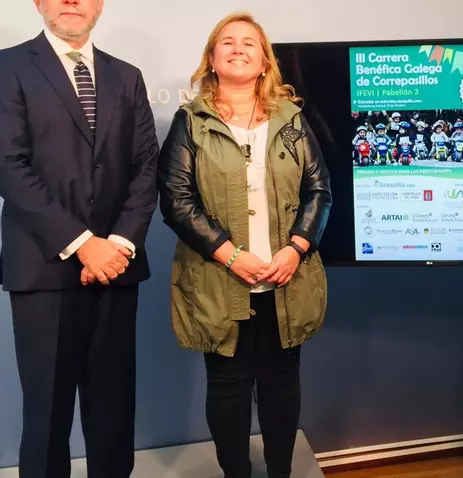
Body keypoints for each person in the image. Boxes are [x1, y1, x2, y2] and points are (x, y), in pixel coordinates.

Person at [157, 12, 331, 478]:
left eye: (249, 43)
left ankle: (280, 471)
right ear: (211, 59)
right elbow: (176, 200)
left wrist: (296, 248)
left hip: (285, 279)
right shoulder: (190, 121)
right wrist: (230, 254)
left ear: (265, 60)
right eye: (228, 42)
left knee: (281, 385)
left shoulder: (292, 120)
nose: (238, 48)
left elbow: (319, 190)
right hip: (219, 279)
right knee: (228, 387)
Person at [0, 0, 159, 476]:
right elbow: (9, 166)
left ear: (99, 6)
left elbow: (146, 167)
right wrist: (84, 244)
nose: (72, 0)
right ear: (39, 3)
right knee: (47, 415)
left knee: (113, 411)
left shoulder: (127, 76)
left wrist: (119, 244)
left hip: (116, 268)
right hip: (43, 268)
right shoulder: (8, 67)